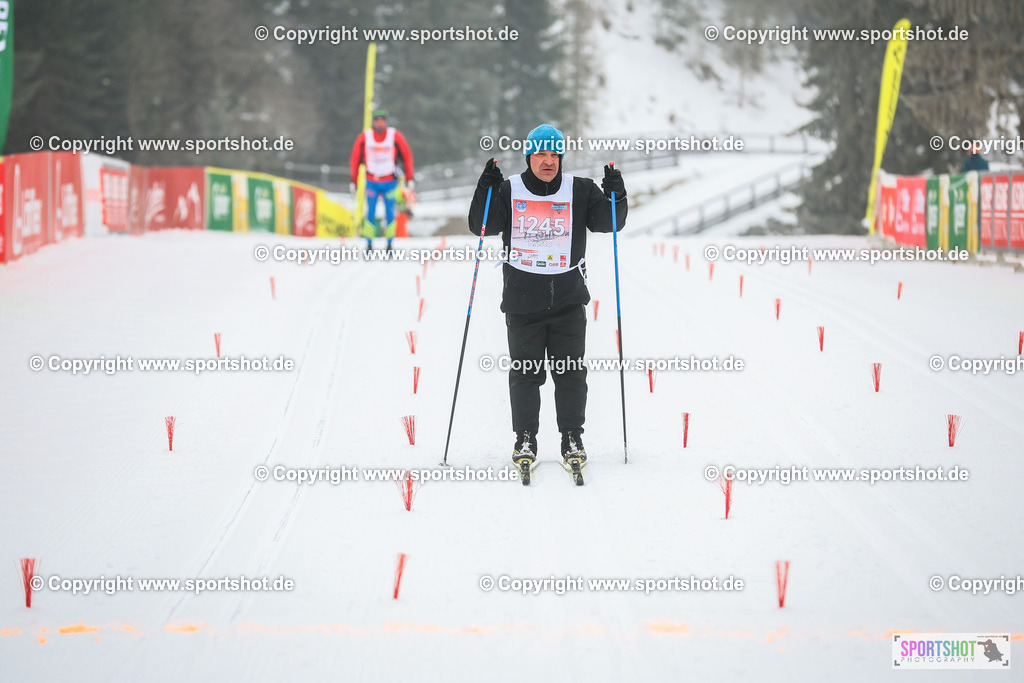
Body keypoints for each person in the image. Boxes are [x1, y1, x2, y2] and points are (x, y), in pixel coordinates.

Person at [468, 124, 627, 475]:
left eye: (554, 154)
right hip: (523, 302)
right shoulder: (510, 190)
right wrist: (486, 189)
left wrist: (617, 193)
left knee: (570, 373)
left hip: (568, 301)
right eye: (540, 154)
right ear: (529, 157)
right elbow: (481, 225)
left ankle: (572, 437)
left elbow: (609, 223)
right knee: (526, 374)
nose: (548, 161)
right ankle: (525, 438)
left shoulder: (580, 190)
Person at [349, 109, 415, 251]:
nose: (380, 123)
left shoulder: (394, 135)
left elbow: (407, 155)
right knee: (370, 212)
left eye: (382, 121)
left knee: (390, 213)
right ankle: (369, 243)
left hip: (390, 182)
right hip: (372, 181)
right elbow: (355, 159)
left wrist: (409, 177)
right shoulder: (365, 137)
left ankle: (390, 243)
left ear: (385, 122)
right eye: (377, 121)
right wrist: (353, 181)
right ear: (374, 122)